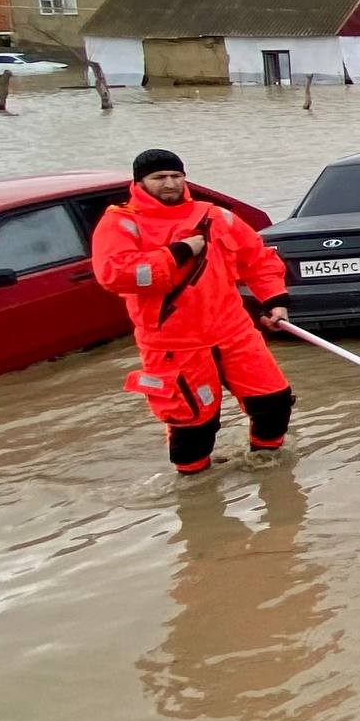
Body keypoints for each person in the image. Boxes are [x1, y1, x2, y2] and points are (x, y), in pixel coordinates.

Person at [91, 149, 295, 476]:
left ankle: (267, 466)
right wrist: (179, 252)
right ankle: (195, 491)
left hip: (233, 332)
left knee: (275, 402)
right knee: (192, 426)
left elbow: (257, 260)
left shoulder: (215, 216)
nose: (169, 183)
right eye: (159, 178)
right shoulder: (121, 223)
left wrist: (274, 301)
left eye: (176, 176)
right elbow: (115, 274)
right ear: (140, 182)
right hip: (174, 344)